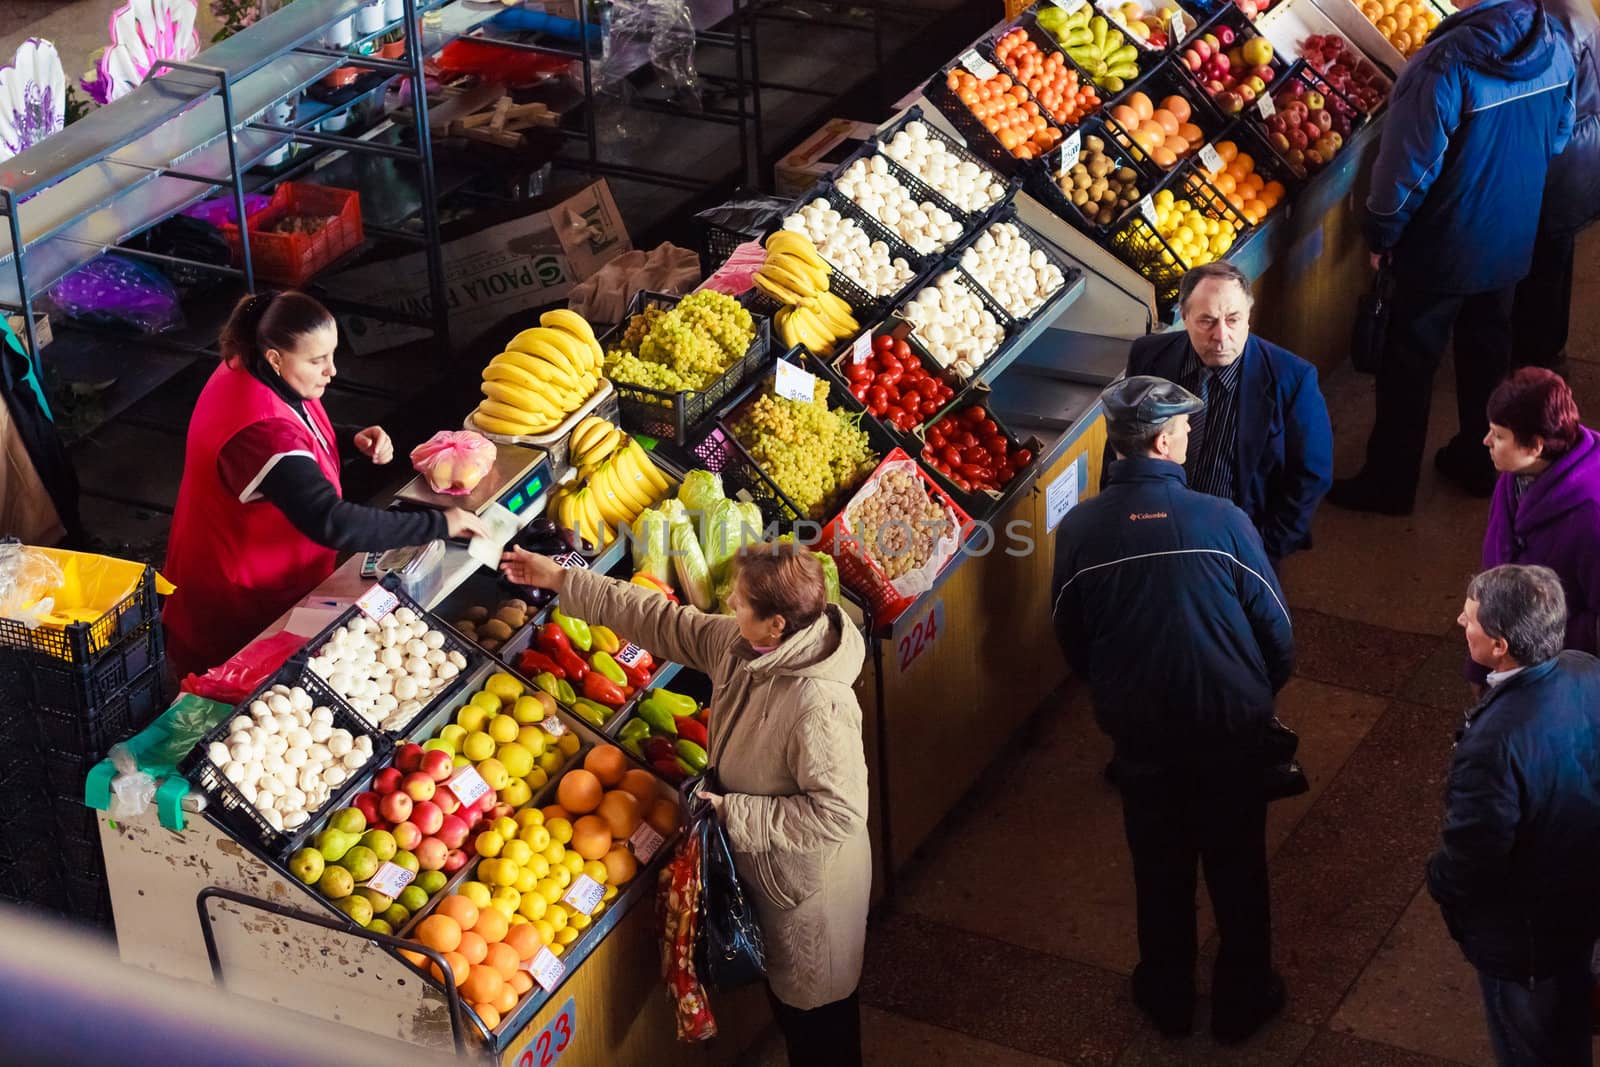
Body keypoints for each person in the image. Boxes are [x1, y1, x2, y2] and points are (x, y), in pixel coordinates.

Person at [500, 541, 870, 1067]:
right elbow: (663, 620)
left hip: (809, 892)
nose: (729, 608)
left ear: (777, 625)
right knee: (793, 1011)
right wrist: (562, 580)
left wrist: (731, 812)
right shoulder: (745, 648)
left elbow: (839, 813)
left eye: (740, 603)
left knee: (818, 1024)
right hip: (767, 873)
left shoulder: (819, 705)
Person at [1053, 376, 1294, 1044]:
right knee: (1238, 864)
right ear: (1163, 440)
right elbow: (1276, 632)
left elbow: (1070, 633)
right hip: (1229, 727)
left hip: (1142, 733)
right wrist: (1252, 694)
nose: (1188, 434)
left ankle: (1168, 994)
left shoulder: (1080, 529)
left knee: (1158, 866)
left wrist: (1116, 693)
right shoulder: (1224, 521)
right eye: (1183, 427)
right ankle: (1245, 996)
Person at [1328, 0, 1574, 514]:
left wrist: (1382, 232)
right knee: (1488, 351)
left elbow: (1405, 172)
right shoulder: (1554, 44)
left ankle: (1389, 483)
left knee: (1409, 363)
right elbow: (1557, 137)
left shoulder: (1444, 63)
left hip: (1442, 245)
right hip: (1512, 234)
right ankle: (1480, 462)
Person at [163, 292, 486, 679]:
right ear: (275, 358)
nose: (331, 371)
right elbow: (333, 521)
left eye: (332, 354)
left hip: (263, 573)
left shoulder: (251, 363)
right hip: (236, 603)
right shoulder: (261, 433)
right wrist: (439, 524)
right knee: (235, 691)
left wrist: (346, 439)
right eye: (317, 361)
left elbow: (294, 428)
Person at [1432, 564, 1600, 1067]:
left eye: (1471, 618)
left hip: (1525, 940)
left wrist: (1438, 880)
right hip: (1581, 906)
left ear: (1501, 645)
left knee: (1527, 1045)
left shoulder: (1496, 741)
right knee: (1568, 1029)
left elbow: (1473, 856)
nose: (1462, 622)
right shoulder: (1584, 668)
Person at [1123, 262, 1332, 565]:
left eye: (1233, 320)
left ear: (1248, 317)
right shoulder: (1148, 356)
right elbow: (1123, 444)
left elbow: (1311, 476)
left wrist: (1262, 550)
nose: (1221, 336)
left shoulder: (1293, 379)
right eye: (1207, 321)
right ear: (1184, 316)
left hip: (1239, 546)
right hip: (1154, 534)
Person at [1472, 369, 1600, 691]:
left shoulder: (1591, 515)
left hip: (1556, 676)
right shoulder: (1514, 473)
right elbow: (1495, 569)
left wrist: (1531, 639)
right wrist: (1480, 665)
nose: (1486, 441)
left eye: (1498, 435)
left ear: (1536, 446)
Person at [1512, 0, 1600, 375]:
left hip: (1559, 162)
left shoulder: (1552, 21)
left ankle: (1535, 363)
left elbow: (1543, 106)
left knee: (1543, 264)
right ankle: (1543, 350)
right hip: (1579, 151)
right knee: (1554, 258)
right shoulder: (1568, 6)